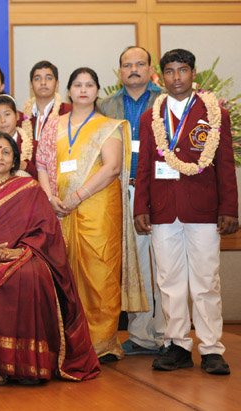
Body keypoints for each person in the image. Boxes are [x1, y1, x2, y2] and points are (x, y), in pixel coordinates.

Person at [0, 132, 100, 386]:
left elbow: (46, 231)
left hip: (26, 253)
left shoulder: (29, 188)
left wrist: (22, 251)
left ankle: (31, 364)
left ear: (14, 160)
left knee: (31, 274)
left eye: (6, 152)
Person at [134, 49, 238, 375]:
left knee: (206, 282)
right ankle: (177, 344)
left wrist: (229, 208)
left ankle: (211, 348)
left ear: (193, 73)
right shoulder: (151, 117)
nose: (176, 77)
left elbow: (225, 165)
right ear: (161, 76)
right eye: (170, 71)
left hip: (204, 211)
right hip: (163, 211)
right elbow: (145, 166)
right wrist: (140, 207)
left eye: (182, 70)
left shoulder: (214, 113)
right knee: (170, 282)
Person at [36, 67, 143, 363]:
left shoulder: (108, 126)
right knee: (65, 274)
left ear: (97, 91)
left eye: (89, 85)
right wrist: (50, 196)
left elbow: (112, 167)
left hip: (98, 207)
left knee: (100, 271)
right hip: (60, 209)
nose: (83, 90)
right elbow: (42, 164)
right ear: (69, 91)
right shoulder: (54, 125)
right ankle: (71, 341)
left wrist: (77, 196)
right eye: (78, 85)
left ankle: (102, 343)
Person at [99, 46, 164, 356]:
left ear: (150, 69)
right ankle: (140, 335)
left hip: (160, 191)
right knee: (135, 266)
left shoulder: (165, 101)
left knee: (164, 265)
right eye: (127, 65)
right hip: (122, 190)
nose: (133, 69)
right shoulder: (106, 106)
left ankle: (168, 335)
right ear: (119, 71)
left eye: (140, 64)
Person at [22, 60, 71, 142]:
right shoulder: (22, 118)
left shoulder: (68, 112)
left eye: (49, 78)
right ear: (31, 85)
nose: (43, 82)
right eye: (37, 78)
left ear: (57, 84)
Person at [0, 94, 37, 178]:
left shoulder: (34, 146)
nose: (2, 120)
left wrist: (25, 166)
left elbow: (41, 177)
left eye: (7, 114)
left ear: (17, 116)